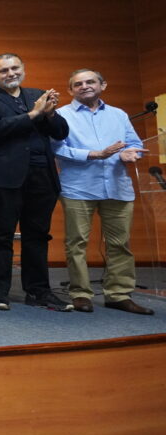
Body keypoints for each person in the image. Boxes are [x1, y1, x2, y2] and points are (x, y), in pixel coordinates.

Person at [0, 53, 72, 312]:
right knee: (2, 235)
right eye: (3, 70)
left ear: (23, 69)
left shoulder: (37, 94)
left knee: (38, 235)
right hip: (3, 178)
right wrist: (35, 113)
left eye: (14, 68)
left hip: (42, 177)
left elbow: (61, 132)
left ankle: (39, 291)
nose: (10, 73)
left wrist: (49, 115)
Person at [53, 68, 152, 315]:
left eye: (90, 82)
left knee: (120, 244)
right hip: (78, 188)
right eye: (78, 84)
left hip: (117, 187)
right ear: (70, 90)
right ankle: (80, 294)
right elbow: (56, 149)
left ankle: (118, 294)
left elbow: (134, 143)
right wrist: (94, 154)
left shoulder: (119, 115)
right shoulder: (61, 115)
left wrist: (129, 153)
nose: (85, 86)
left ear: (103, 85)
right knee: (77, 244)